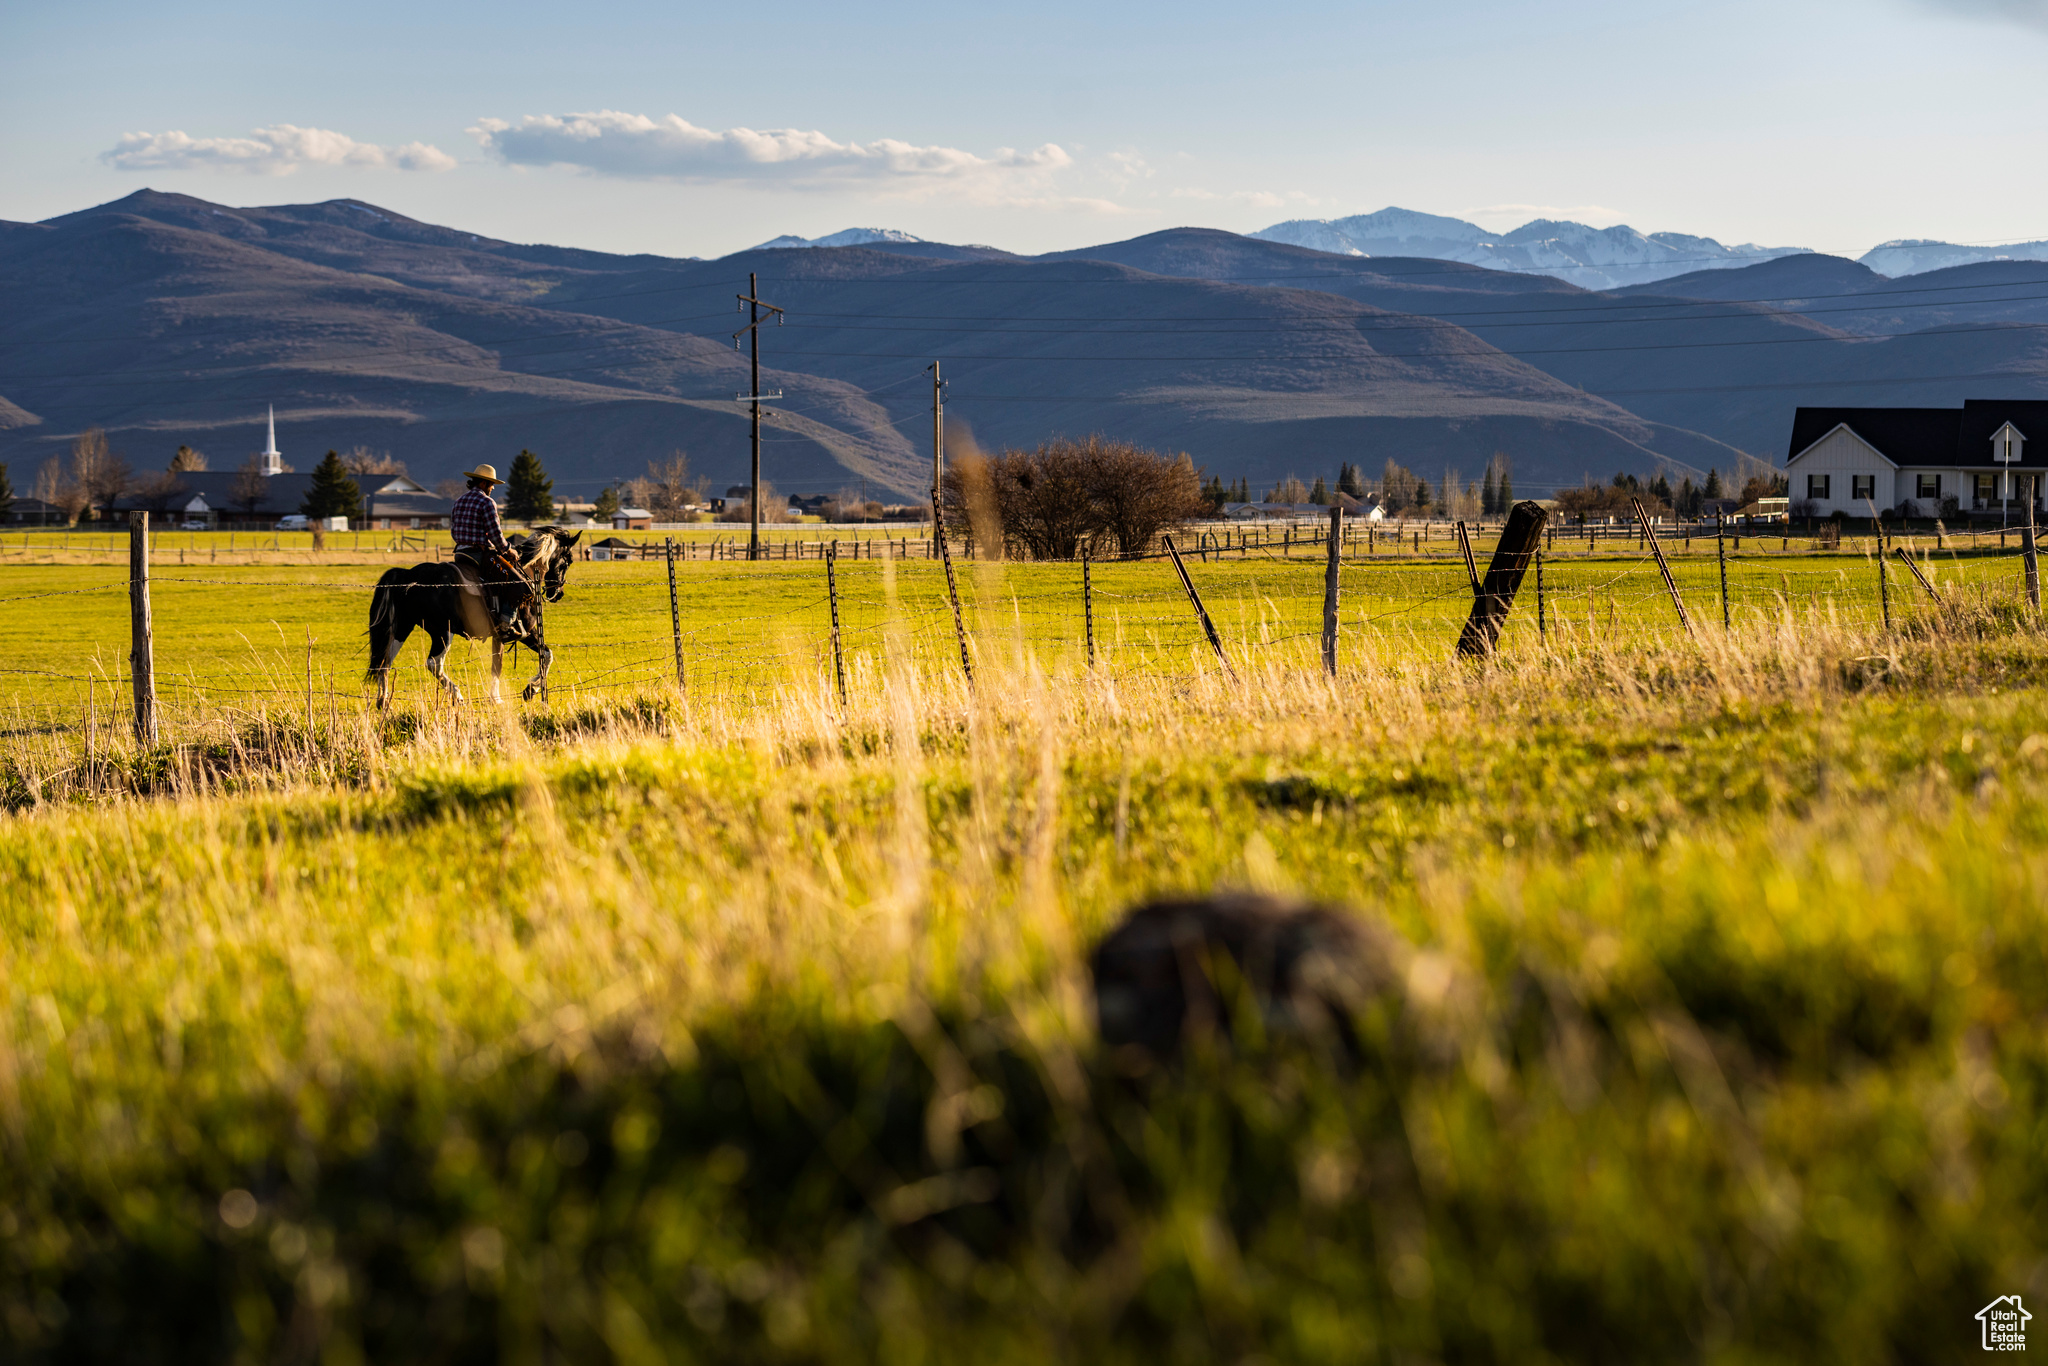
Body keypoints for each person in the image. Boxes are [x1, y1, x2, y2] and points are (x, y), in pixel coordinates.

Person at [449, 463, 531, 637]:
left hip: (460, 554)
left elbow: (454, 531)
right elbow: (495, 534)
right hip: (479, 555)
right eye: (492, 484)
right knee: (519, 583)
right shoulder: (487, 502)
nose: (493, 488)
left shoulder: (459, 501)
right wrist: (508, 550)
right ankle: (506, 623)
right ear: (484, 483)